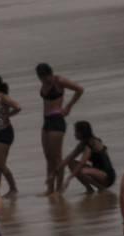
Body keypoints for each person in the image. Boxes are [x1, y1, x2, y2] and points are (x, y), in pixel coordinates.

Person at [35, 63, 85, 195]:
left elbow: (79, 89)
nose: (45, 80)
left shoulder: (59, 81)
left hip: (57, 120)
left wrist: (68, 106)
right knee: (48, 157)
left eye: (46, 77)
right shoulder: (44, 84)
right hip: (46, 122)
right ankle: (49, 188)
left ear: (50, 73)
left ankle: (59, 189)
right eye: (41, 78)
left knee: (57, 157)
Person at [0, 75, 21, 195]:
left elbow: (17, 107)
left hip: (5, 132)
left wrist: (8, 116)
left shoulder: (3, 97)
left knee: (1, 164)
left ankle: (13, 188)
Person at [63, 120, 117, 191]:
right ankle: (89, 189)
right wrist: (55, 171)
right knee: (71, 163)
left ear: (82, 133)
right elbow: (69, 158)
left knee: (82, 171)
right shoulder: (83, 144)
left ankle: (100, 188)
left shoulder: (91, 143)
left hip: (107, 176)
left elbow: (82, 163)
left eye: (76, 131)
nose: (74, 134)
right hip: (97, 173)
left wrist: (69, 178)